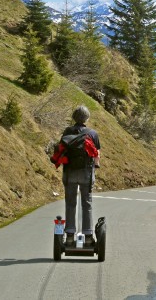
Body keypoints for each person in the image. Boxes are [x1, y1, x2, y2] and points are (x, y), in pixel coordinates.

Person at [61, 105, 101, 246]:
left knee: (70, 203)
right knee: (87, 203)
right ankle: (88, 236)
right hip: (86, 173)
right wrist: (96, 165)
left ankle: (70, 235)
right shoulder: (92, 133)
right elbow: (97, 155)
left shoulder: (67, 131)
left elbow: (62, 150)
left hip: (70, 173)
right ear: (87, 118)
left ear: (74, 117)